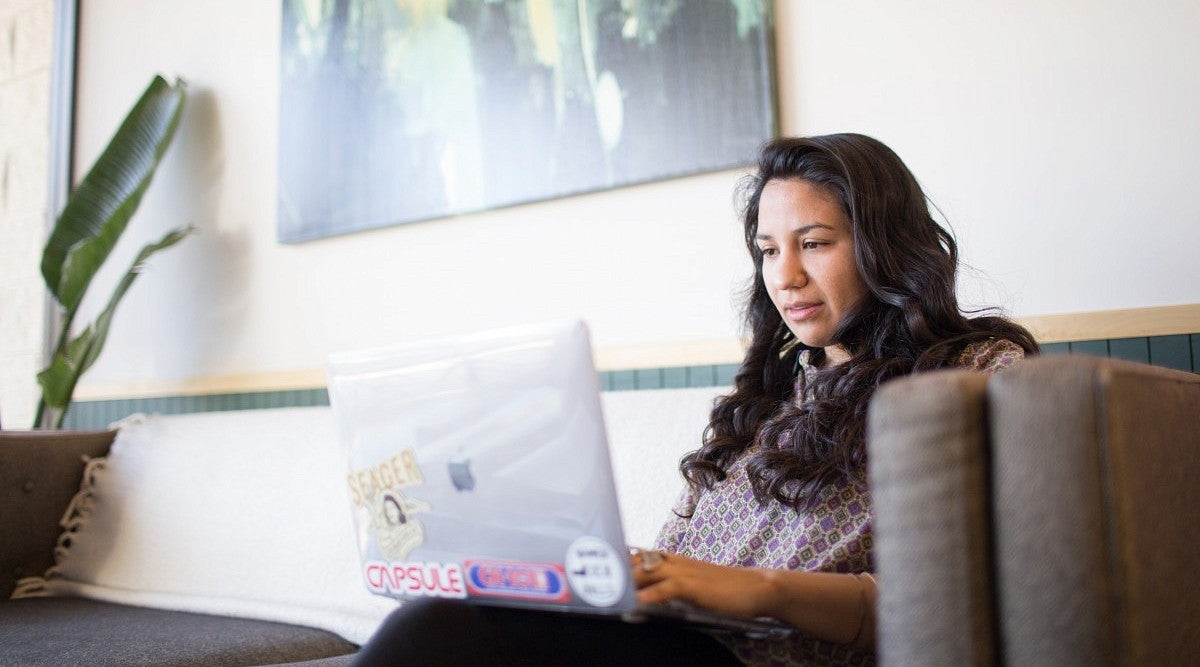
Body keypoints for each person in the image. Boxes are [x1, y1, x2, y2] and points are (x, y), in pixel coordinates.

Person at [350, 133, 1038, 666]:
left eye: (815, 243)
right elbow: (680, 565)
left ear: (887, 248)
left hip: (769, 659)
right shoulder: (771, 395)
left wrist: (759, 588)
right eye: (768, 251)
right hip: (678, 645)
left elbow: (966, 600)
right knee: (453, 615)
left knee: (443, 631)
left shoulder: (977, 374)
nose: (786, 275)